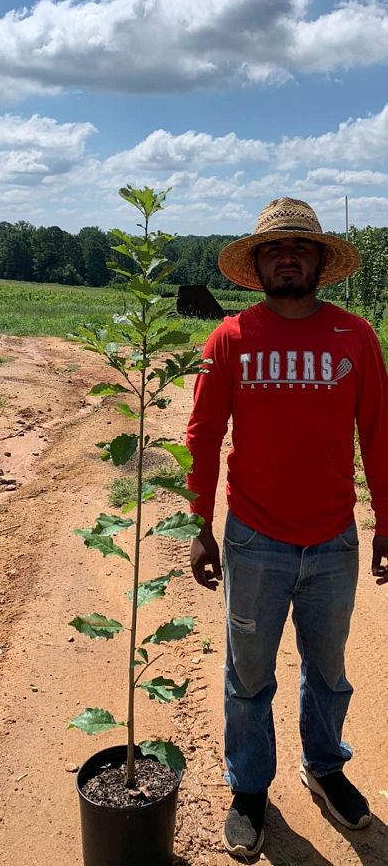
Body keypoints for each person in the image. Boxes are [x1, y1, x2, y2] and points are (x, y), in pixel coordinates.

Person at [185, 197, 388, 860]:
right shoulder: (232, 339)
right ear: (260, 264)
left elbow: (379, 435)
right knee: (249, 675)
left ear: (321, 262)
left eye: (299, 248)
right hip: (252, 538)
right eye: (275, 249)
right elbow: (204, 434)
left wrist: (386, 520)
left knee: (328, 672)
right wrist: (198, 522)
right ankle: (249, 788)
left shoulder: (354, 336)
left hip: (334, 540)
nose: (288, 257)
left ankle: (325, 768)